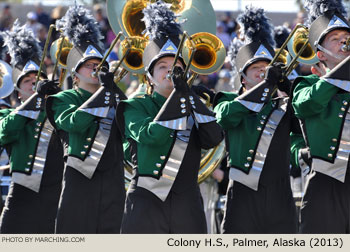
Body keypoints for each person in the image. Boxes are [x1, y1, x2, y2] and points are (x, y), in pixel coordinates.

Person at [118, 1, 223, 234]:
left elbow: (213, 137)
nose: (170, 71)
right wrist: (181, 98)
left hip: (187, 205)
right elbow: (152, 135)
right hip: (146, 203)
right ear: (150, 78)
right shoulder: (135, 105)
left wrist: (191, 98)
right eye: (163, 66)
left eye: (177, 65)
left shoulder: (192, 102)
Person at [214, 6, 298, 234]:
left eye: (267, 70)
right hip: (242, 196)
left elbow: (303, 128)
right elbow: (224, 117)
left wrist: (289, 91)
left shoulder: (282, 105)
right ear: (242, 77)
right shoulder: (228, 100)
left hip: (280, 197)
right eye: (256, 70)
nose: (263, 74)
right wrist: (267, 86)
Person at [46, 4, 126, 234]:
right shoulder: (63, 98)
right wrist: (104, 94)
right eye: (89, 65)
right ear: (76, 73)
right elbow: (74, 123)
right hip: (80, 178)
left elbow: (128, 125)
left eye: (99, 65)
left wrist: (113, 90)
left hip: (113, 180)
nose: (95, 69)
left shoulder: (114, 95)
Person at [292, 0, 350, 233]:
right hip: (326, 185)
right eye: (335, 39)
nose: (344, 43)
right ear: (320, 54)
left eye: (346, 38)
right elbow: (308, 105)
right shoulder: (307, 84)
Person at [0, 20, 63, 234]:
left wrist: (55, 100)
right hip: (22, 194)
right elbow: (5, 131)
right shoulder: (8, 113)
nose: (34, 83)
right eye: (28, 81)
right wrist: (36, 98)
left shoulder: (57, 111)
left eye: (38, 80)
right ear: (18, 91)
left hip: (54, 193)